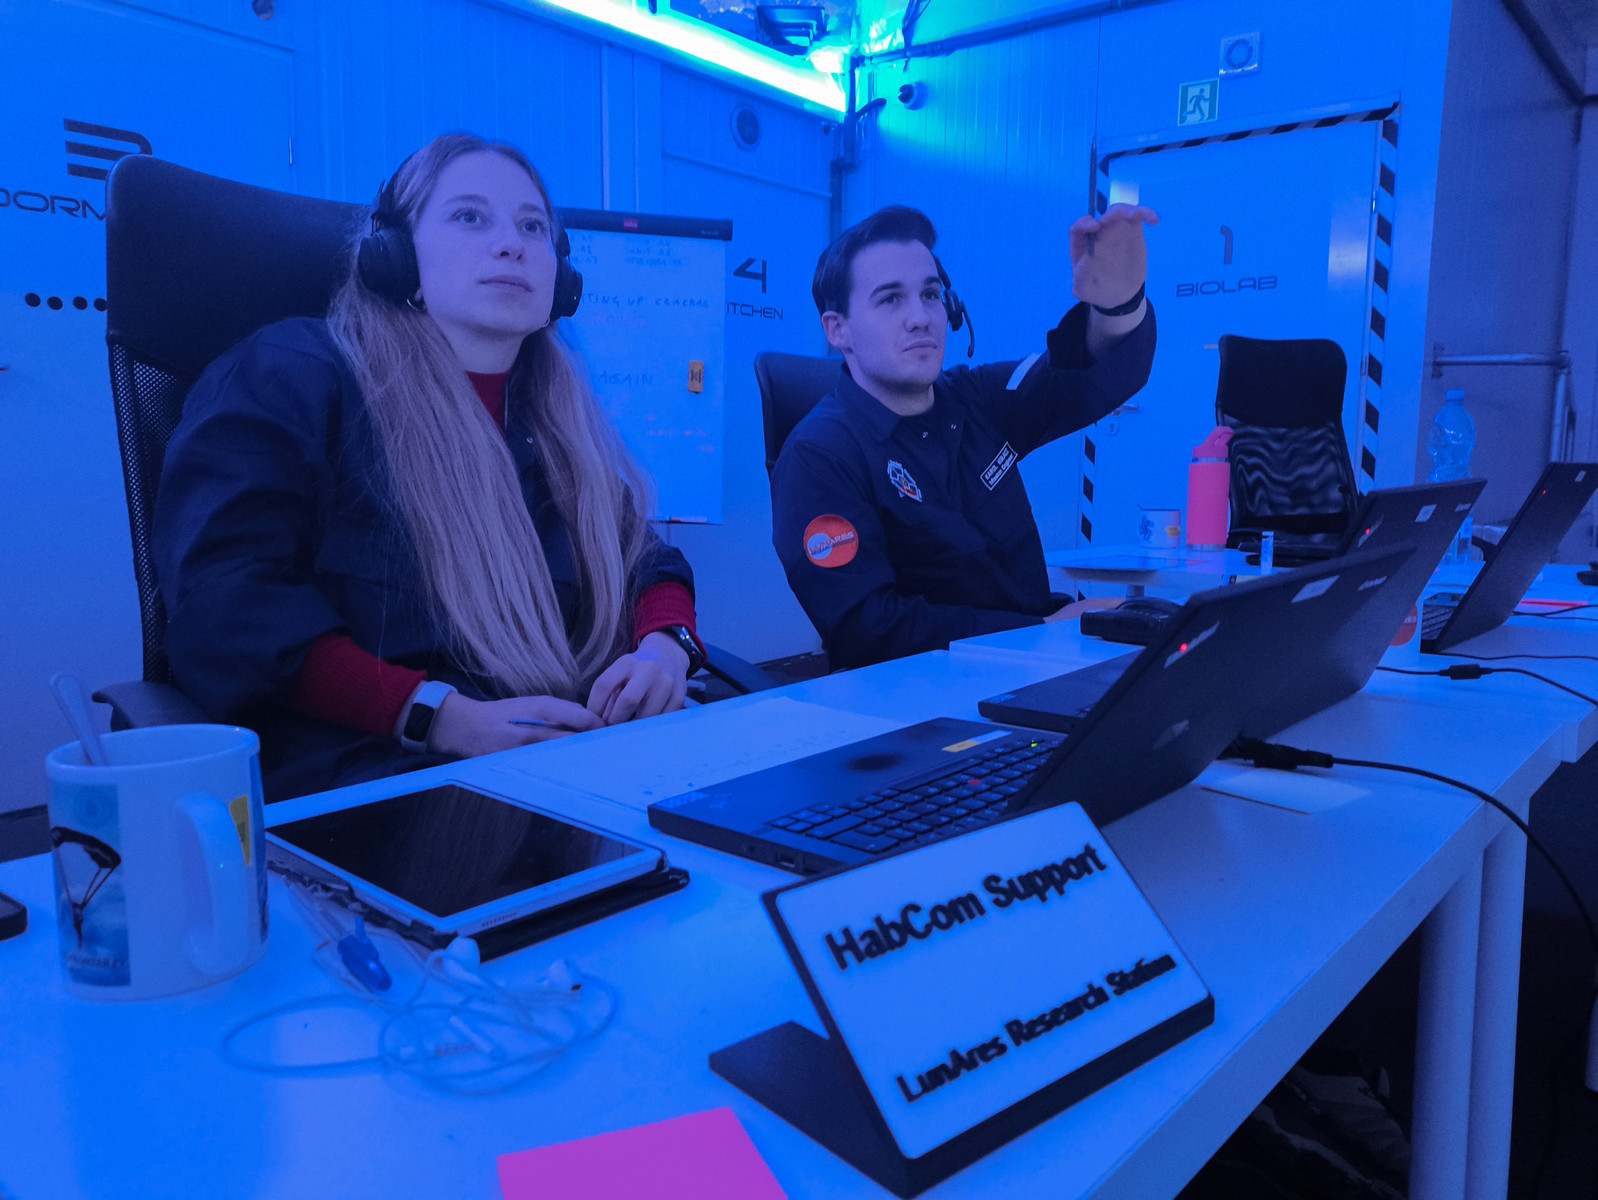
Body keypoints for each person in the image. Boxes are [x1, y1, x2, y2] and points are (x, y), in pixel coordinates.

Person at [154, 133, 705, 800]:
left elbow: (645, 561)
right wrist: (440, 718)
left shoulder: (555, 424)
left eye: (533, 226)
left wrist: (665, 645)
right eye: (470, 216)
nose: (511, 244)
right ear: (393, 254)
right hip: (375, 773)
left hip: (565, 758)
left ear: (561, 279)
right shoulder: (294, 375)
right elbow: (228, 601)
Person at [770, 203, 1158, 669]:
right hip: (921, 694)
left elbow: (1077, 383)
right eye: (890, 300)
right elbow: (868, 629)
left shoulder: (975, 399)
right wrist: (1040, 632)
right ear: (838, 330)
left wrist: (1117, 305)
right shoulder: (819, 455)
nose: (921, 317)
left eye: (931, 294)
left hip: (1030, 661)